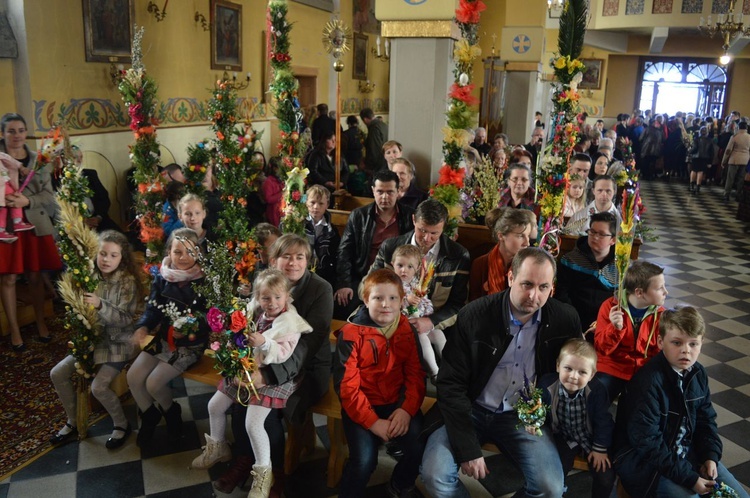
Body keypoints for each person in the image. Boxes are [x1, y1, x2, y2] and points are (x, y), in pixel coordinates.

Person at [421, 247, 582, 498]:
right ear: (510, 278)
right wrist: (467, 449)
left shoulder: (565, 318)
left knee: (550, 489)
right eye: (526, 284)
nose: (533, 295)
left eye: (543, 287)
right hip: (470, 408)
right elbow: (450, 383)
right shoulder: (474, 315)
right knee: (434, 475)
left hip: (522, 416)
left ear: (552, 287)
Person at [213, 234, 333, 495]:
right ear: (273, 260)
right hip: (263, 358)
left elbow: (307, 347)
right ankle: (246, 459)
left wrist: (266, 375)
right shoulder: (265, 285)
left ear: (308, 260)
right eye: (286, 256)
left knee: (265, 410)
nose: (293, 263)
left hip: (307, 367)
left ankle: (274, 473)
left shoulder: (320, 289)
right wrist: (240, 364)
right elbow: (246, 323)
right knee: (239, 397)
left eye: (299, 257)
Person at [191, 269, 312, 498]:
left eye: (278, 297)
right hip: (246, 369)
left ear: (287, 296)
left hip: (273, 376)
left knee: (253, 424)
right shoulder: (254, 312)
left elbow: (283, 354)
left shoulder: (290, 322)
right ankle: (218, 446)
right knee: (214, 406)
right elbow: (238, 339)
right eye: (266, 297)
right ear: (258, 296)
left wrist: (264, 342)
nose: (272, 303)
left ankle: (264, 474)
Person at [613, 306, 750, 498]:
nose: (686, 351)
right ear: (661, 342)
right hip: (645, 463)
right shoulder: (648, 381)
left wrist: (710, 456)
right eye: (677, 343)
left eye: (693, 344)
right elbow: (648, 443)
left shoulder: (698, 373)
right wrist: (690, 479)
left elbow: (706, 420)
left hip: (686, 453)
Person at [334, 268, 426, 498]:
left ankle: (399, 484)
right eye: (378, 298)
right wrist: (373, 423)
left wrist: (406, 410)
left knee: (420, 447)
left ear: (402, 301)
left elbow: (416, 375)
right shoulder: (351, 334)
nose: (386, 304)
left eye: (393, 298)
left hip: (397, 403)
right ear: (366, 300)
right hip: (362, 406)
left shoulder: (406, 329)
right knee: (364, 461)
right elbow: (347, 388)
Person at [49, 231, 145, 449]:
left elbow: (125, 319)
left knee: (98, 387)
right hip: (91, 341)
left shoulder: (127, 282)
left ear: (122, 258)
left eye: (113, 255)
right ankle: (73, 421)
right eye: (102, 254)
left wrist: (101, 305)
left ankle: (121, 425)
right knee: (57, 372)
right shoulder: (90, 276)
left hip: (118, 344)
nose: (106, 259)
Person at [128, 228, 209, 446]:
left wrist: (191, 327)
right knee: (133, 377)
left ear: (198, 252)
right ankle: (149, 414)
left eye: (190, 252)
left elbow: (213, 316)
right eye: (178, 252)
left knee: (154, 383)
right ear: (169, 252)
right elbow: (153, 309)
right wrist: (143, 326)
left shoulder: (205, 280)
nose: (184, 258)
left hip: (190, 345)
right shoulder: (162, 277)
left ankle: (171, 411)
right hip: (164, 339)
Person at [0, 113, 61, 351]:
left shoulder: (39, 160)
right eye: (11, 131)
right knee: (8, 278)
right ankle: (15, 331)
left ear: (26, 132)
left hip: (33, 224)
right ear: (3, 134)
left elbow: (48, 195)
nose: (16, 136)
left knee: (35, 275)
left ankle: (40, 322)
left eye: (21, 130)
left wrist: (26, 201)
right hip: (6, 227)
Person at [369, 198, 471, 335]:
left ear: (443, 227)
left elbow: (459, 304)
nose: (426, 238)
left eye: (434, 233)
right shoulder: (390, 248)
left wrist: (431, 322)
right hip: (391, 318)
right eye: (422, 230)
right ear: (413, 220)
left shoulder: (458, 256)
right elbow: (370, 285)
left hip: (436, 324)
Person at [539, 339, 616, 498]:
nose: (574, 376)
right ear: (558, 366)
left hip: (590, 437)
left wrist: (599, 449)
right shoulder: (547, 384)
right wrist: (535, 423)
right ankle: (557, 491)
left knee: (605, 475)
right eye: (568, 368)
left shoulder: (597, 390)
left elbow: (604, 421)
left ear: (592, 375)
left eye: (582, 372)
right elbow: (539, 410)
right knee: (558, 468)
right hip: (562, 436)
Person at [334, 170, 414, 319]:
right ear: (373, 191)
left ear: (398, 192)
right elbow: (345, 250)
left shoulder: (409, 216)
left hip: (398, 279)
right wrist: (344, 283)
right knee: (343, 306)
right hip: (363, 276)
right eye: (380, 191)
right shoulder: (359, 215)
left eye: (390, 192)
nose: (385, 197)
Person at [594, 260, 667, 402]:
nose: (666, 292)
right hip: (613, 367)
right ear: (639, 292)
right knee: (596, 395)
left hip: (644, 369)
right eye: (659, 288)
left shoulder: (662, 314)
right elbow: (602, 349)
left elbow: (659, 354)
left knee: (650, 401)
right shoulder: (610, 307)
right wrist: (615, 329)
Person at [556, 212, 618, 336]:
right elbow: (561, 295)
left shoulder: (619, 266)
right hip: (573, 322)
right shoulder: (570, 260)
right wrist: (574, 320)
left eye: (601, 234)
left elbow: (620, 299)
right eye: (592, 232)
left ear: (613, 240)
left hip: (606, 323)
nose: (595, 237)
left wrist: (603, 321)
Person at [392, 244, 438, 380]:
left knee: (439, 334)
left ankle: (451, 368)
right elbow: (392, 303)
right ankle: (435, 372)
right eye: (400, 265)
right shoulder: (392, 283)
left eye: (409, 267)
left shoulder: (417, 285)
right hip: (401, 324)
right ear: (392, 264)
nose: (404, 270)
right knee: (422, 338)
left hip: (419, 320)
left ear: (417, 268)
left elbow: (427, 303)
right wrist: (406, 300)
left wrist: (426, 312)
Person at [469, 206, 535, 301]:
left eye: (528, 236)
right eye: (520, 236)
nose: (527, 243)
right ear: (501, 236)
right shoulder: (480, 264)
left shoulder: (530, 266)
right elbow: (473, 304)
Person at [304, 184, 340, 289]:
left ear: (327, 204)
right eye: (312, 202)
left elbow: (335, 254)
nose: (316, 207)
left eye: (321, 203)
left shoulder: (331, 230)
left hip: (323, 274)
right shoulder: (298, 223)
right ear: (306, 202)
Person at [0, 152, 34, 241]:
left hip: (3, 182)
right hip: (2, 184)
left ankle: (2, 230)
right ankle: (17, 222)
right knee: (13, 197)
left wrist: (21, 168)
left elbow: (9, 160)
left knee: (5, 206)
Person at [306, 130, 348, 195]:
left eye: (335, 139)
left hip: (338, 188)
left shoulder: (339, 155)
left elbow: (346, 171)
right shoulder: (316, 154)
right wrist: (325, 182)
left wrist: (342, 182)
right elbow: (313, 171)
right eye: (330, 139)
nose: (334, 142)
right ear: (324, 140)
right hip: (321, 189)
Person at [722, 120, 750, 202]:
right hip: (745, 160)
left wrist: (724, 161)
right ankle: (738, 194)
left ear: (738, 127)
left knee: (730, 178)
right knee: (741, 178)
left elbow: (728, 150)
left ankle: (726, 195)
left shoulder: (735, 136)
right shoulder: (749, 137)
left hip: (734, 159)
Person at [689, 126, 717, 195]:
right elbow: (712, 152)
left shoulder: (696, 139)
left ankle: (692, 186)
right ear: (707, 132)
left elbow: (694, 149)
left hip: (696, 157)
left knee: (694, 170)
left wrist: (689, 151)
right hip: (705, 158)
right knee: (700, 172)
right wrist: (710, 162)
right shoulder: (710, 140)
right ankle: (698, 187)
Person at [361, 107, 389, 173]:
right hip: (384, 161)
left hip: (377, 165)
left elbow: (374, 149)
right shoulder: (384, 125)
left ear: (365, 119)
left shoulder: (374, 128)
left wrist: (368, 166)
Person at [262, 156, 284, 227]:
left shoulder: (280, 179)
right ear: (274, 168)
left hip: (281, 210)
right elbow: (268, 199)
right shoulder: (268, 181)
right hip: (273, 212)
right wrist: (282, 194)